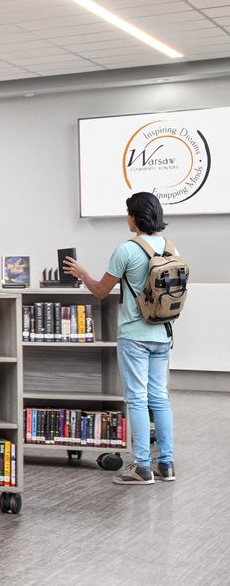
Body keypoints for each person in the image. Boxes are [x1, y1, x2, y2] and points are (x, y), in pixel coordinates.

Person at [67, 192, 179, 485]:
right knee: (160, 398)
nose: (126, 217)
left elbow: (101, 290)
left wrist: (82, 273)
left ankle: (142, 467)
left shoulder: (126, 250)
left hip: (135, 335)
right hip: (163, 333)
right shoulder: (170, 247)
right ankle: (166, 464)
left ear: (135, 217)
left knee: (137, 399)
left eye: (128, 212)